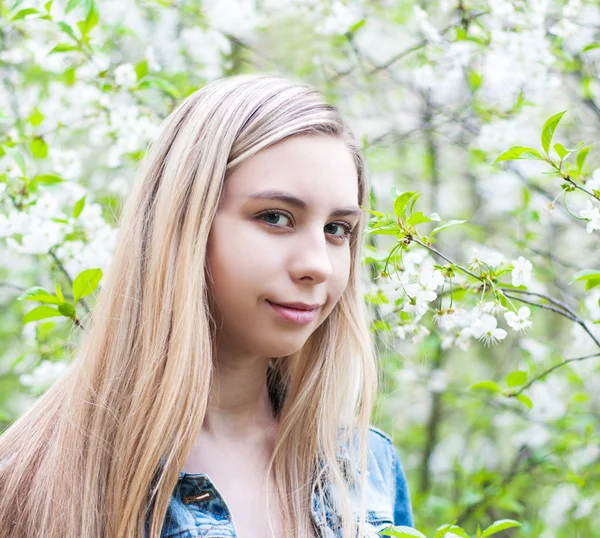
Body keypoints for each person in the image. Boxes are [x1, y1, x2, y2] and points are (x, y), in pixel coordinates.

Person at [0, 73, 412, 538]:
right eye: (275, 218)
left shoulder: (368, 471)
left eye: (338, 229)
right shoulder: (38, 481)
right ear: (185, 225)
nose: (318, 265)